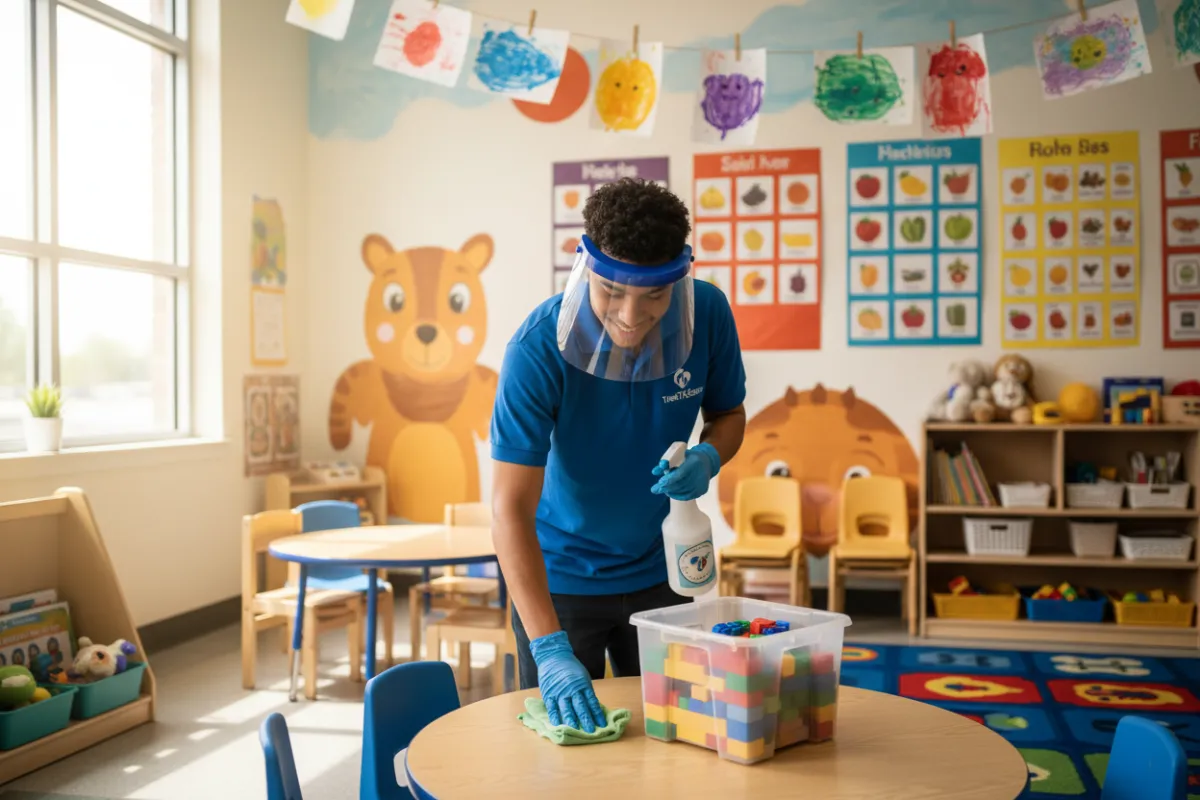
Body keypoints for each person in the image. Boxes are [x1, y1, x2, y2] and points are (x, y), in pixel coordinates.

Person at [490, 178, 747, 733]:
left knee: (679, 733)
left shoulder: (707, 315)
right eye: (611, 289)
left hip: (663, 574)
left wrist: (709, 456)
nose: (632, 314)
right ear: (583, 268)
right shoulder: (537, 348)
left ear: (679, 279)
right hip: (561, 584)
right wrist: (549, 648)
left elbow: (729, 415)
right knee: (564, 750)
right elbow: (509, 509)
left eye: (655, 294)